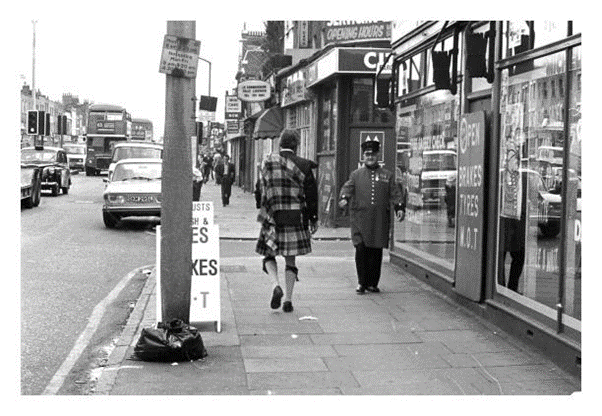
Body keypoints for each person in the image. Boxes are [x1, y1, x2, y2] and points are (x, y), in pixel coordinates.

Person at [255, 130, 318, 312]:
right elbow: (311, 195)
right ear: (296, 145)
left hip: (272, 216)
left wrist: (261, 206)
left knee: (268, 255)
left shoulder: (268, 162)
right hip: (294, 216)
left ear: (279, 143)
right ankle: (288, 301)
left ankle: (275, 285)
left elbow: (260, 188)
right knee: (290, 261)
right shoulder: (304, 165)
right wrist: (313, 218)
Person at [338, 138, 405, 294]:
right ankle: (362, 282)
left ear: (378, 155)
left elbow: (395, 193)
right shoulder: (356, 175)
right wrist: (344, 198)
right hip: (360, 220)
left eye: (373, 154)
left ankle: (372, 283)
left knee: (375, 252)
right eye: (367, 155)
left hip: (379, 220)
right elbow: (347, 188)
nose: (370, 157)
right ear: (364, 156)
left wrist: (399, 207)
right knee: (361, 250)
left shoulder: (387, 175)